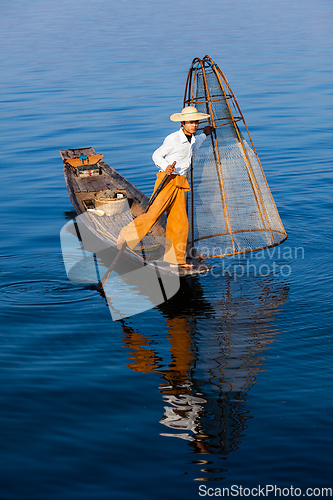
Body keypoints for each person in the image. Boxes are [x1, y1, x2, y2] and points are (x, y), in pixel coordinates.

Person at [117, 106, 214, 268]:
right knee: (153, 214)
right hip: (167, 180)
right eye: (191, 122)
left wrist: (205, 133)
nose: (194, 125)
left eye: (196, 122)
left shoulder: (192, 138)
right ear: (182, 123)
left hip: (181, 182)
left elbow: (195, 145)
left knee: (180, 221)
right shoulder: (173, 139)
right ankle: (126, 238)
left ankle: (176, 260)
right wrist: (166, 166)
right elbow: (156, 154)